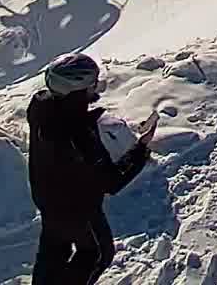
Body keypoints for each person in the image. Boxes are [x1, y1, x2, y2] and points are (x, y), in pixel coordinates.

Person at [26, 53, 156, 285]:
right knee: (96, 253)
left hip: (46, 197)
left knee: (55, 249)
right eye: (92, 83)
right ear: (78, 89)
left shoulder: (40, 106)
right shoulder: (79, 133)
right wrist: (140, 149)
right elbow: (112, 181)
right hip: (78, 208)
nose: (96, 87)